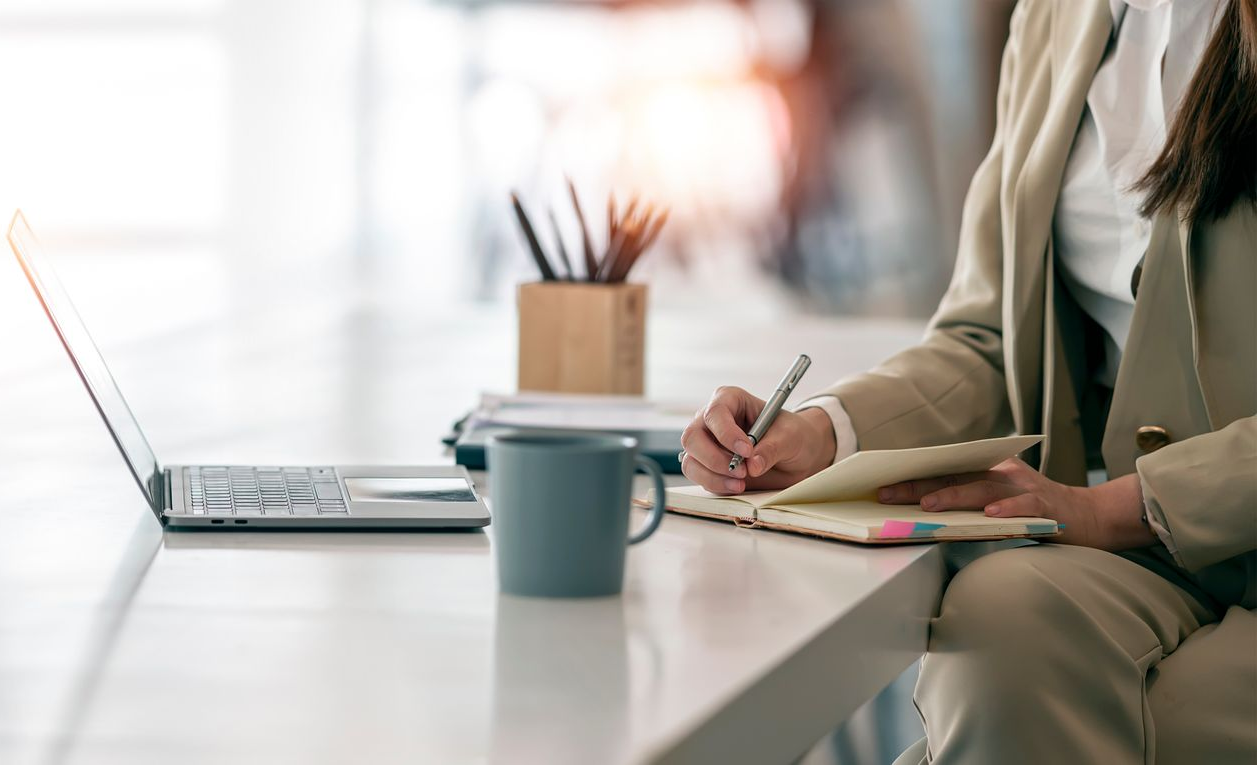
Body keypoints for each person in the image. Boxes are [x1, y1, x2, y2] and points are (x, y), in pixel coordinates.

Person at [679, 0, 1256, 762]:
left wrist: (1116, 508)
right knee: (996, 624)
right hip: (1160, 569)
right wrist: (821, 433)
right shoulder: (1055, 20)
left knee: (1099, 724)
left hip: (1155, 533)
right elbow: (990, 334)